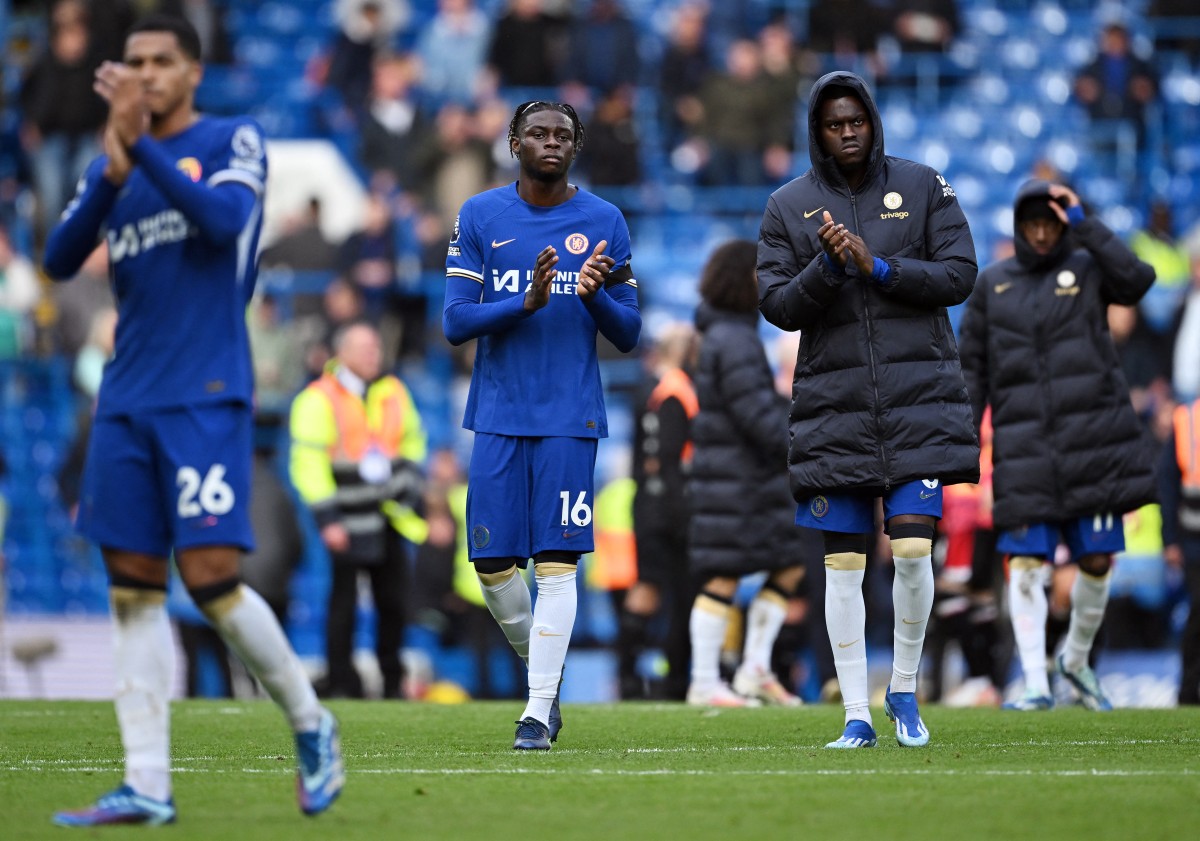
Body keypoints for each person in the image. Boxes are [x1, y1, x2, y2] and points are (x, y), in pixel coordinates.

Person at [41, 15, 343, 825]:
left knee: (211, 582)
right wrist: (109, 173)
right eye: (133, 62)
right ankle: (148, 782)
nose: (146, 73)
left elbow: (221, 223)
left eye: (161, 61)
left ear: (193, 72)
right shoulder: (119, 159)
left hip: (205, 390)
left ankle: (314, 724)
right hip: (127, 397)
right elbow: (59, 259)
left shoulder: (231, 138)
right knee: (133, 592)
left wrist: (140, 150)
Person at [757, 71, 980, 748]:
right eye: (834, 124)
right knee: (844, 566)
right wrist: (829, 266)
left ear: (872, 122)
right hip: (836, 409)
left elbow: (960, 273)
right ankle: (856, 711)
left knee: (914, 551)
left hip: (919, 405)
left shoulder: (923, 185)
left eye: (857, 121)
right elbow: (777, 305)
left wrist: (877, 267)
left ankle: (903, 688)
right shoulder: (786, 205)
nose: (848, 133)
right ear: (816, 132)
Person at [441, 100, 641, 749]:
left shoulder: (605, 220)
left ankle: (537, 709)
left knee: (557, 562)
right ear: (514, 142)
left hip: (568, 415)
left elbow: (630, 331)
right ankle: (543, 678)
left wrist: (595, 296)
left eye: (562, 135)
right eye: (539, 133)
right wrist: (521, 302)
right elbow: (454, 322)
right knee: (493, 562)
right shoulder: (480, 214)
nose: (550, 143)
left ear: (574, 146)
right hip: (498, 412)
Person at [958, 179, 1158, 712]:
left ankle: (1074, 659)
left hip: (1093, 447)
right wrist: (964, 445)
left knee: (1096, 562)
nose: (1044, 234)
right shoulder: (992, 284)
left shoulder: (1090, 269)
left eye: (1052, 224)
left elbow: (1138, 281)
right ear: (1020, 227)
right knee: (1025, 565)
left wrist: (1085, 221)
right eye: (1035, 225)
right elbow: (970, 368)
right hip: (1024, 450)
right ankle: (1035, 680)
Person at [686, 238, 806, 708]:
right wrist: (803, 440)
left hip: (742, 478)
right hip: (734, 481)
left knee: (791, 562)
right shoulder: (733, 339)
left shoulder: (727, 333)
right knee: (723, 576)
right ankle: (703, 681)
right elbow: (755, 413)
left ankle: (755, 668)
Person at [289, 319, 427, 699]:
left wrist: (408, 485)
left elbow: (414, 441)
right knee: (343, 605)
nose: (375, 355)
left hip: (390, 514)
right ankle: (342, 682)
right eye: (367, 349)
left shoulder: (394, 390)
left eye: (376, 349)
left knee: (394, 604)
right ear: (343, 353)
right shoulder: (317, 397)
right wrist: (328, 518)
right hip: (347, 518)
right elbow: (308, 463)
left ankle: (392, 683)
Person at [620, 322, 697, 700]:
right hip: (667, 506)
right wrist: (681, 512)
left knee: (652, 588)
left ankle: (631, 676)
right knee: (676, 592)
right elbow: (668, 459)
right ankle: (670, 678)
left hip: (649, 503)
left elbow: (647, 459)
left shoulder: (649, 390)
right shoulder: (675, 391)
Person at [1161, 397, 1200, 705]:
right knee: (1198, 612)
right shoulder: (1185, 418)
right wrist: (1170, 539)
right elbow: (1168, 482)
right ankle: (1188, 692)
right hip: (1193, 538)